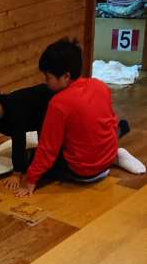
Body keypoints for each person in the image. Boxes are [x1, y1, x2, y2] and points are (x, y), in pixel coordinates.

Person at [15, 38, 145, 197]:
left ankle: (115, 154)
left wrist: (31, 180)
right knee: (117, 126)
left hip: (83, 173)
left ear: (66, 76)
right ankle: (115, 154)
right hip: (106, 160)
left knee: (33, 157)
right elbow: (109, 122)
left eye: (48, 77)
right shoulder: (99, 85)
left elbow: (48, 149)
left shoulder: (58, 103)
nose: (45, 81)